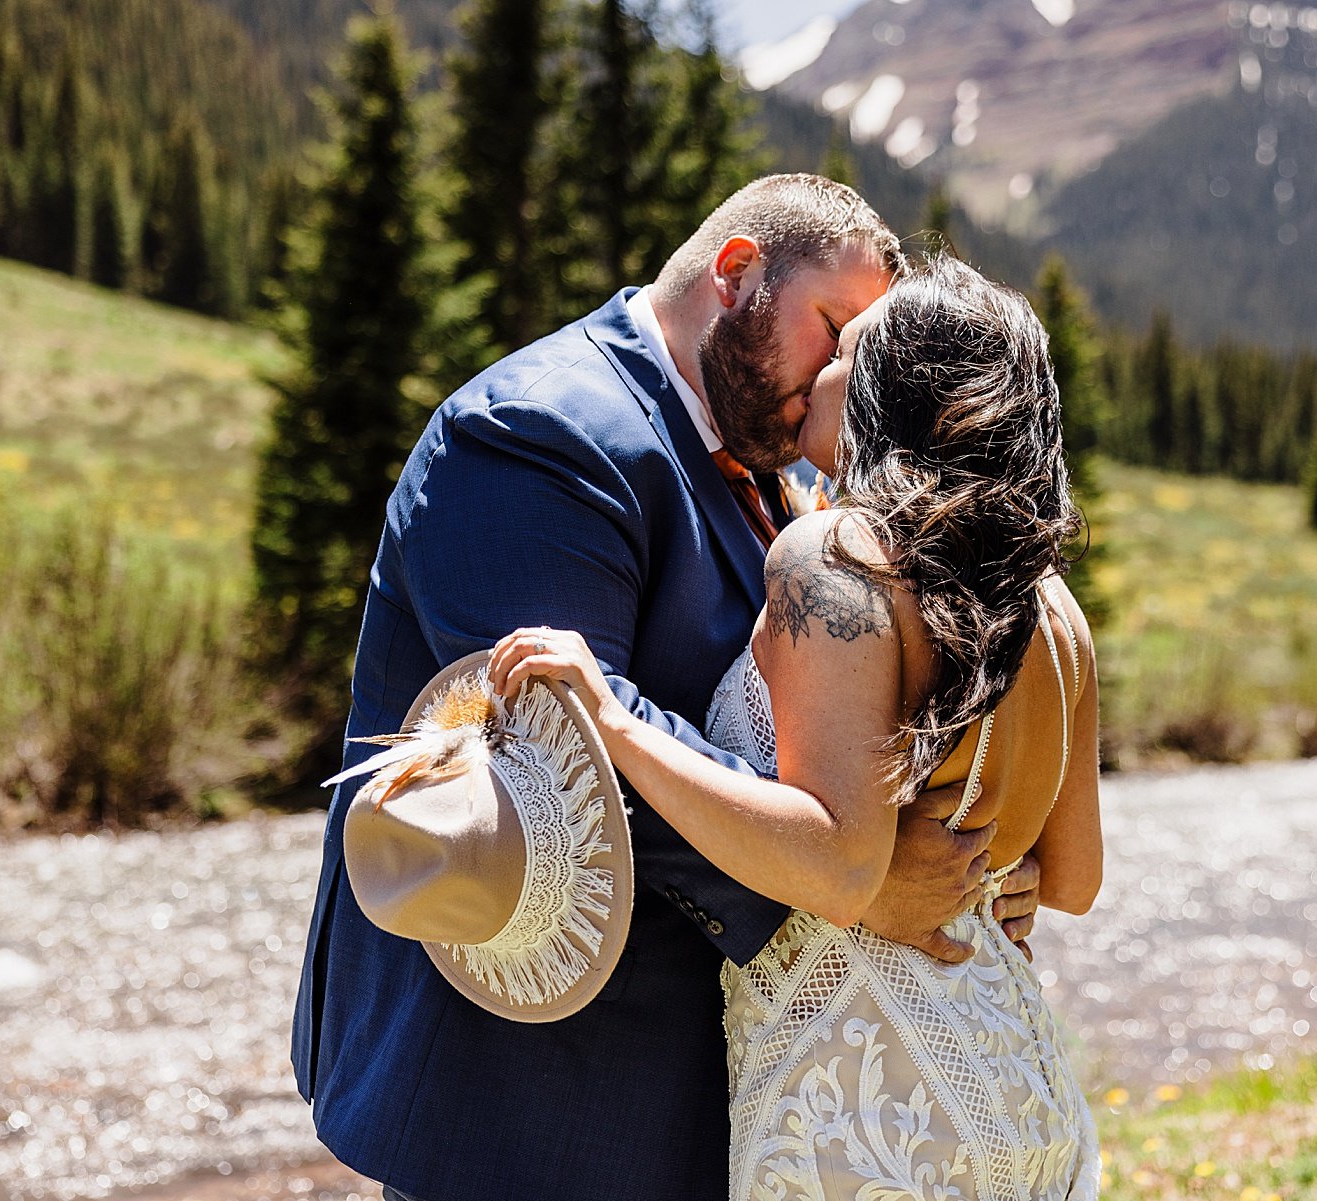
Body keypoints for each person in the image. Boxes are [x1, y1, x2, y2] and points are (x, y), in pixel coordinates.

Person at [290, 176, 1045, 1201]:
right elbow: (555, 755)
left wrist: (970, 854)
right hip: (526, 1096)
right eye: (833, 328)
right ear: (737, 273)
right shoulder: (542, 432)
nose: (845, 379)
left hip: (679, 1083)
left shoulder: (781, 467)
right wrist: (855, 886)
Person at [490, 255, 1104, 1200]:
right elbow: (1073, 879)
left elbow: (838, 862)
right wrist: (983, 872)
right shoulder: (1046, 600)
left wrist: (613, 722)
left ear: (895, 388)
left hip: (867, 1106)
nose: (816, 370)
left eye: (846, 350)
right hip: (1020, 1082)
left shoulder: (831, 555)